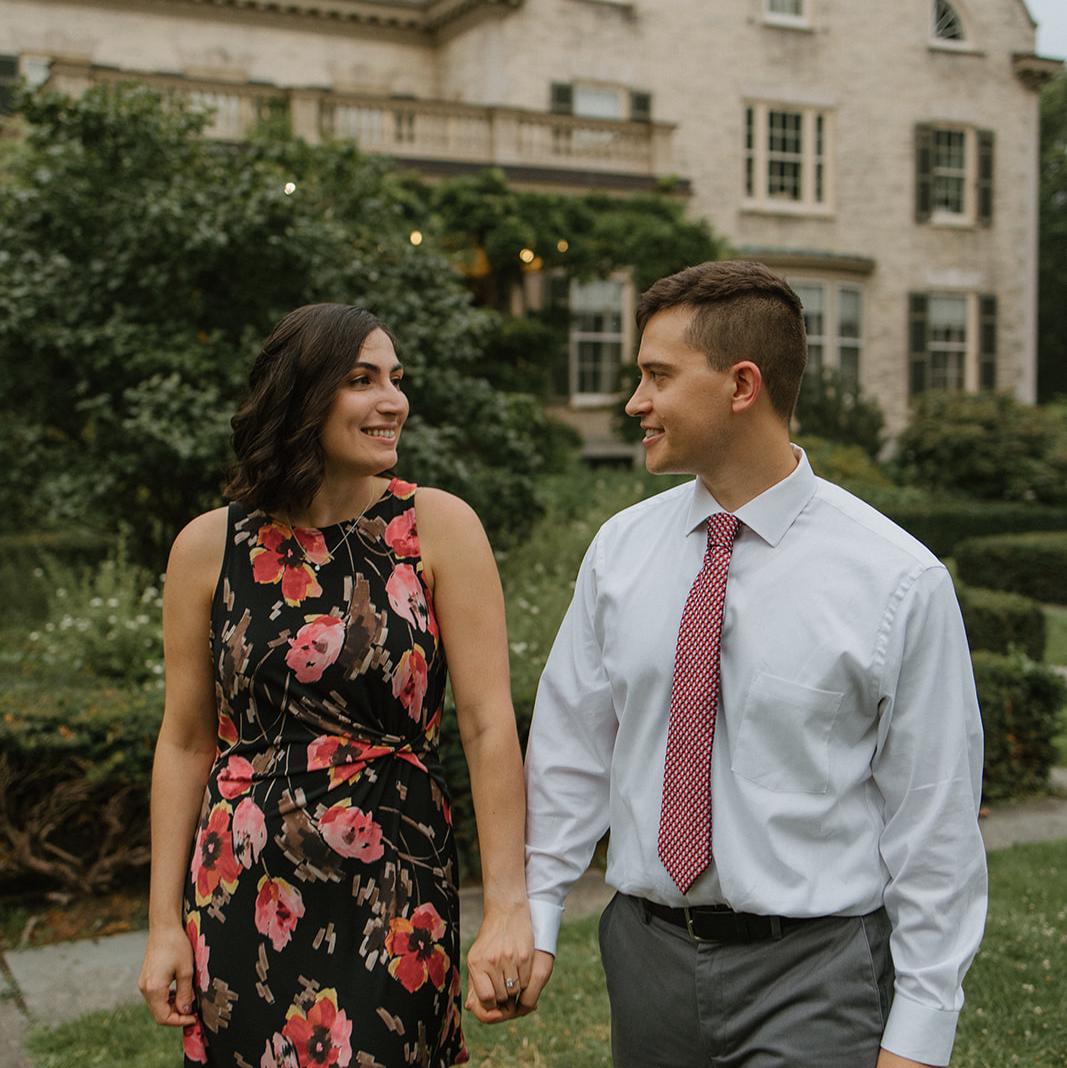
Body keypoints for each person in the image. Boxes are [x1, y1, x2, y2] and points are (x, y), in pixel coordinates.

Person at [519, 261, 987, 1068]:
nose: (634, 402)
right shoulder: (620, 552)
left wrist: (920, 1028)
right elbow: (571, 748)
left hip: (814, 971)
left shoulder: (895, 580)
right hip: (643, 960)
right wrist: (536, 912)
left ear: (741, 384)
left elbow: (933, 818)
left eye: (657, 376)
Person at [138, 303, 532, 1067]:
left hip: (396, 877)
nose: (393, 401)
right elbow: (184, 741)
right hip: (244, 882)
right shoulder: (208, 546)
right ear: (301, 396)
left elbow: (488, 727)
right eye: (362, 380)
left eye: (395, 379)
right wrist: (162, 927)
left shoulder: (439, 526)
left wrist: (506, 905)